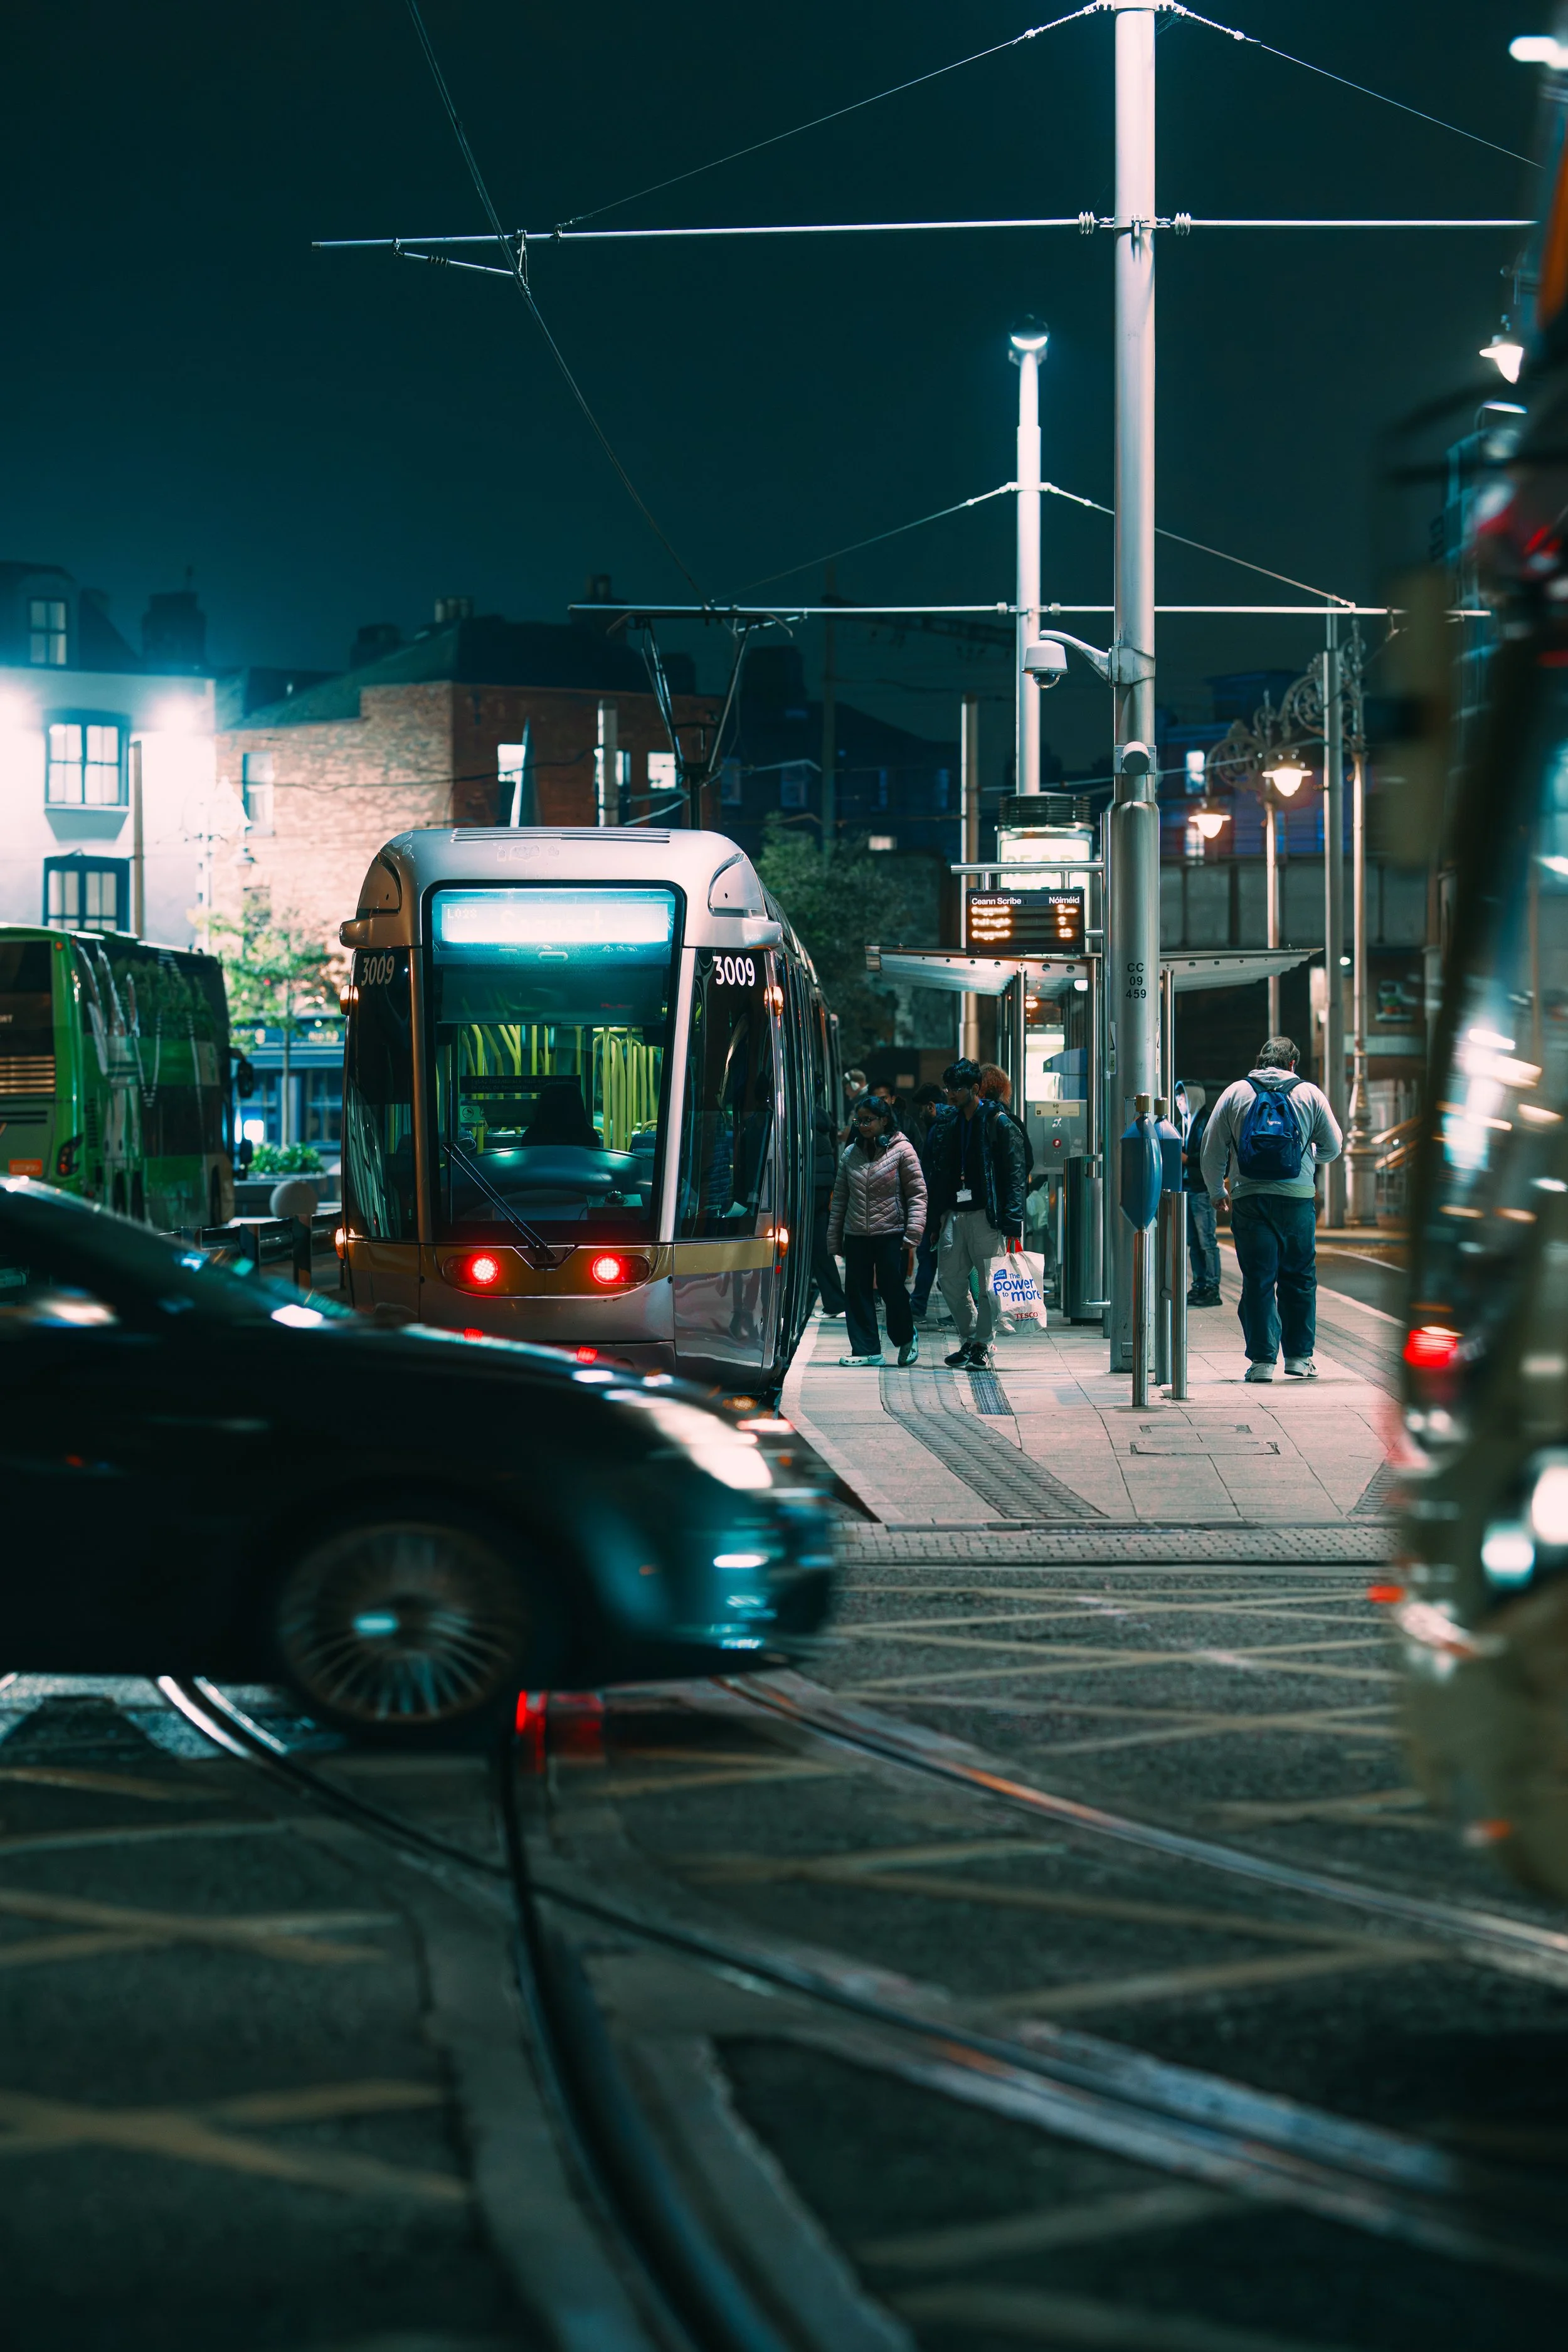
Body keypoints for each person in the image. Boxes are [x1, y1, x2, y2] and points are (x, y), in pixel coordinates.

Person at [1200, 1034, 1342, 1382]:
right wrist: (1308, 1161)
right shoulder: (1309, 1093)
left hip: (1249, 1198)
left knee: (1258, 1279)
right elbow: (1334, 1146)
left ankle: (1262, 1362)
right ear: (1293, 1063)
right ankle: (1299, 1358)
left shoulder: (1236, 1092)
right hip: (1297, 1200)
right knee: (1300, 1278)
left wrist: (1218, 1190)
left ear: (1260, 1061)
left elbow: (1212, 1149)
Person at [923, 1056, 1027, 1370]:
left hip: (987, 1214)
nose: (951, 1094)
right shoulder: (950, 1123)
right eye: (948, 1088)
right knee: (950, 1279)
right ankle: (971, 1337)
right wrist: (936, 1217)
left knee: (991, 1284)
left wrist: (1012, 1220)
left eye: (957, 1088)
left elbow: (1015, 1172)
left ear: (976, 1088)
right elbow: (940, 1172)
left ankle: (983, 1343)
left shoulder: (998, 1121)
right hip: (955, 1212)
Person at [826, 1093, 928, 1368]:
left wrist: (913, 1233)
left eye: (868, 1120)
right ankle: (867, 1350)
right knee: (857, 1291)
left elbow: (918, 1193)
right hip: (856, 1233)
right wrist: (834, 1239)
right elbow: (840, 1200)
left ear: (884, 1120)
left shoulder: (903, 1150)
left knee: (890, 1287)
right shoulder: (851, 1154)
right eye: (859, 1120)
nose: (862, 1125)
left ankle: (906, 1336)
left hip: (890, 1231)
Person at [907, 1084, 945, 1322]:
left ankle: (919, 1303)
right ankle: (918, 1302)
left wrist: (932, 1217)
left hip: (938, 1206)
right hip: (941, 1206)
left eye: (922, 1109)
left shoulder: (937, 1131)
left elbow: (933, 1174)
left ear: (931, 1107)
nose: (920, 1114)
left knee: (928, 1255)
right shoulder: (943, 1128)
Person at [1182, 1084, 1222, 1308]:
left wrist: (1187, 1159)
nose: (1179, 1103)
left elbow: (1209, 1153)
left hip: (1201, 1188)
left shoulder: (1205, 1121)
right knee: (1193, 1242)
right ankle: (1199, 1284)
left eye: (1183, 1098)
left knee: (1206, 1240)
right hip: (1188, 1187)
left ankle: (1211, 1287)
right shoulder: (1186, 1122)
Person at [808, 1092, 846, 1319]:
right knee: (821, 1252)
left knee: (820, 1253)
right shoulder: (823, 1134)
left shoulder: (812, 1137)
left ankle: (835, 1302)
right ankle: (835, 1301)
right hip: (821, 1199)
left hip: (814, 1199)